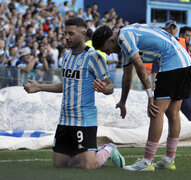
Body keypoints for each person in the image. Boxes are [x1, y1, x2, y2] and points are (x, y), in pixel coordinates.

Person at [23, 18, 125, 169]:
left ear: (83, 34)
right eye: (65, 33)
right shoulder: (66, 56)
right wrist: (39, 87)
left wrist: (105, 89)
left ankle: (108, 149)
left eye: (70, 33)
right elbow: (65, 85)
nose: (66, 37)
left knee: (89, 166)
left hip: (84, 119)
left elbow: (110, 85)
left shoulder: (94, 57)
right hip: (65, 119)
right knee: (59, 165)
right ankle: (85, 154)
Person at [92, 23, 191, 171]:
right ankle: (169, 160)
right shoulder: (126, 38)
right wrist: (123, 101)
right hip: (185, 62)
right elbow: (127, 76)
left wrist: (150, 97)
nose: (109, 54)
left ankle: (147, 161)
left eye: (107, 50)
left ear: (112, 40)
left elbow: (140, 66)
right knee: (173, 114)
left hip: (171, 63)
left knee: (155, 112)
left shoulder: (124, 37)